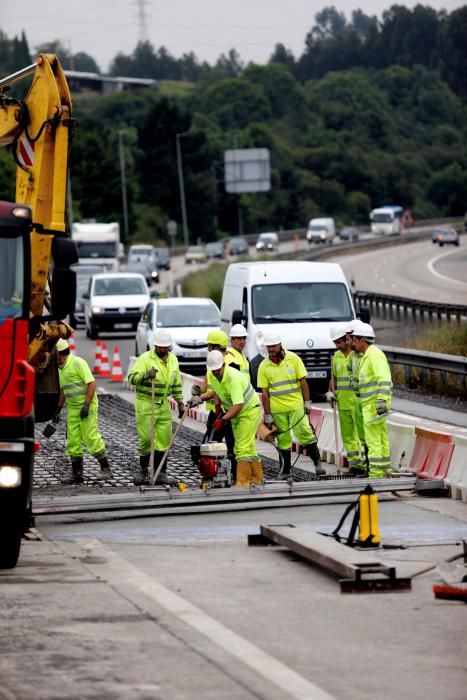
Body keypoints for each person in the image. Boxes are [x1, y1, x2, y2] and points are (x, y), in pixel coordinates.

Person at [257, 332, 325, 479]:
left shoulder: (293, 359)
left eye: (273, 346)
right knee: (283, 440)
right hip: (277, 410)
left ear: (280, 345)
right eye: (268, 347)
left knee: (305, 434)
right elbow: (265, 392)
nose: (271, 349)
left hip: (295, 406)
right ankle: (286, 471)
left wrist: (307, 402)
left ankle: (317, 464)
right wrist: (267, 414)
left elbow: (303, 382)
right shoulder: (264, 366)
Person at [197, 350, 262, 487]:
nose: (215, 372)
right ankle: (256, 479)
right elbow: (217, 391)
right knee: (247, 448)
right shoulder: (213, 375)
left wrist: (223, 420)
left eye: (217, 369)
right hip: (237, 413)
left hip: (248, 411)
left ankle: (242, 483)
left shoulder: (233, 378)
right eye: (213, 370)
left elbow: (238, 404)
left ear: (224, 365)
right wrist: (201, 398)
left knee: (242, 448)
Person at [128, 329, 185, 486]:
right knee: (146, 439)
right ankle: (143, 470)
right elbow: (131, 378)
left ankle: (160, 473)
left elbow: (176, 385)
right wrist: (145, 375)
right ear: (155, 346)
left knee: (164, 440)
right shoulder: (146, 358)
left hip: (163, 404)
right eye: (159, 347)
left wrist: (180, 403)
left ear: (169, 347)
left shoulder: (173, 360)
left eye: (164, 347)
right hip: (146, 402)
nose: (161, 349)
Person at [55, 338, 112, 484]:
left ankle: (106, 469)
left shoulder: (78, 363)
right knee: (73, 440)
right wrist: (58, 409)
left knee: (91, 437)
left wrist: (86, 404)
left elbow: (92, 383)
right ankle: (77, 474)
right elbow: (63, 390)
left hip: (87, 406)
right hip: (73, 408)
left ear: (60, 354)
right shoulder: (61, 368)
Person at [352, 322, 393, 478]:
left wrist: (382, 400)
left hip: (374, 405)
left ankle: (376, 473)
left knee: (373, 440)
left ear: (362, 340)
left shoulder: (374, 355)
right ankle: (384, 469)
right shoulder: (367, 356)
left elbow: (383, 378)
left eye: (355, 340)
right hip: (371, 404)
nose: (353, 343)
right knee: (380, 437)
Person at [326, 326, 366, 476]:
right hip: (342, 403)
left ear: (347, 340)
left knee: (359, 436)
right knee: (348, 436)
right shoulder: (336, 356)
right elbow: (334, 377)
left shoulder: (357, 356)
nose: (337, 346)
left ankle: (365, 464)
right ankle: (355, 465)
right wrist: (331, 391)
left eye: (339, 342)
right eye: (335, 343)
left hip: (356, 402)